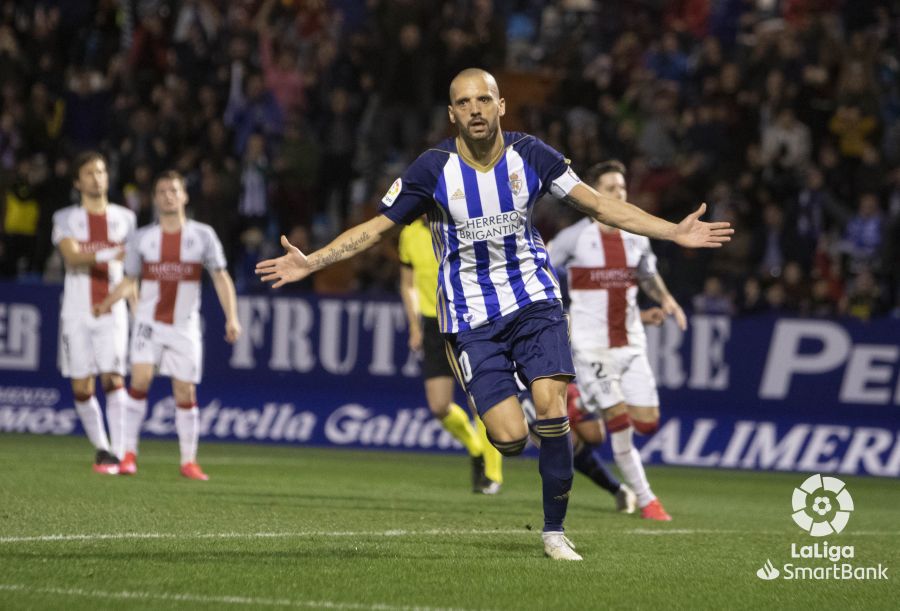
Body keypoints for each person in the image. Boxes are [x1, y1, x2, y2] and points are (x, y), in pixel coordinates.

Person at [256, 69, 731, 560]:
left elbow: (601, 206)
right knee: (509, 439)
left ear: (502, 105)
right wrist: (313, 261)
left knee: (551, 405)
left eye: (484, 99)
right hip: (470, 318)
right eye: (464, 103)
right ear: (452, 114)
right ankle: (516, 433)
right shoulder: (432, 169)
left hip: (535, 303)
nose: (476, 109)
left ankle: (554, 532)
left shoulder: (532, 155)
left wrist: (671, 231)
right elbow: (375, 229)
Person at [548, 160, 690, 522]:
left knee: (647, 422)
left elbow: (648, 277)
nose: (619, 194)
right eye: (611, 189)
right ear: (594, 194)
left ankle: (583, 402)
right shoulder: (574, 238)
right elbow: (540, 266)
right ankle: (648, 500)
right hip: (590, 348)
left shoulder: (637, 236)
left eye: (622, 189)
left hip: (630, 345)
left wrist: (667, 301)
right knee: (618, 423)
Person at [96, 170, 241, 480]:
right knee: (140, 380)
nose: (168, 196)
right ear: (155, 198)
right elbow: (129, 281)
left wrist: (232, 317)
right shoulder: (143, 238)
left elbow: (220, 276)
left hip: (185, 327)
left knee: (185, 391)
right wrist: (108, 303)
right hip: (149, 324)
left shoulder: (203, 236)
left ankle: (189, 461)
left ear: (184, 196)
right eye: (162, 191)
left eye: (173, 190)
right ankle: (129, 455)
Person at [399, 216, 502, 494]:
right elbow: (408, 283)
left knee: (476, 399)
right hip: (432, 323)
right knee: (439, 406)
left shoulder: (459, 224)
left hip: (466, 319)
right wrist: (414, 325)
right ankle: (476, 448)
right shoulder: (409, 234)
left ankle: (491, 474)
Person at [52, 151, 136, 474]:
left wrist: (132, 303)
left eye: (101, 171)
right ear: (77, 181)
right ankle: (102, 446)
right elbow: (72, 258)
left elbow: (132, 271)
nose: (96, 177)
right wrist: (113, 251)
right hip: (76, 311)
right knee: (82, 387)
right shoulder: (64, 218)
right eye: (88, 173)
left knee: (114, 378)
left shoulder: (125, 219)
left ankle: (116, 453)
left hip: (112, 310)